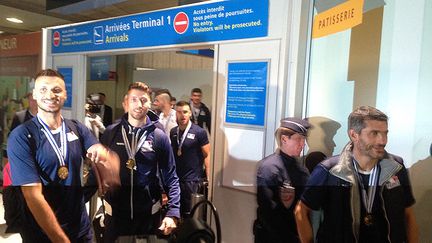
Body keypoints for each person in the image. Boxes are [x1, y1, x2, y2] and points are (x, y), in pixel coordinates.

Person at [7, 69, 119, 243]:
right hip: (41, 233)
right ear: (34, 95)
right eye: (43, 89)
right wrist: (61, 240)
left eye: (56, 90)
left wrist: (107, 159)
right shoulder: (22, 136)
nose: (50, 95)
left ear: (65, 94)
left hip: (80, 229)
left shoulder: (77, 128)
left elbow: (100, 151)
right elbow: (33, 196)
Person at [295, 106, 419, 243]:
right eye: (374, 133)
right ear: (354, 135)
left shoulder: (396, 167)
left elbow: (408, 214)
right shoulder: (329, 170)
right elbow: (301, 211)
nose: (382, 141)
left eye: (385, 133)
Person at [100, 82, 180, 242]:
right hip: (115, 216)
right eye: (134, 100)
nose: (139, 104)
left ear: (150, 104)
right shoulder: (111, 133)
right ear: (125, 103)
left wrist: (173, 212)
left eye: (143, 100)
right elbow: (98, 170)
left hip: (148, 217)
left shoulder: (159, 137)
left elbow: (171, 177)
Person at [254, 117, 311, 243]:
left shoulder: (301, 169)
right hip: (273, 237)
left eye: (304, 139)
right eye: (299, 139)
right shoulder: (269, 168)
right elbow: (268, 212)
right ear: (284, 139)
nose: (303, 144)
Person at [169, 101, 210, 217]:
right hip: (176, 180)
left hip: (193, 180)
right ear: (176, 114)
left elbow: (207, 155)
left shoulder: (199, 132)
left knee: (191, 214)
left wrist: (208, 177)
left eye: (185, 112)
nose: (182, 115)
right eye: (179, 112)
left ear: (190, 113)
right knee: (176, 212)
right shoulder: (173, 132)